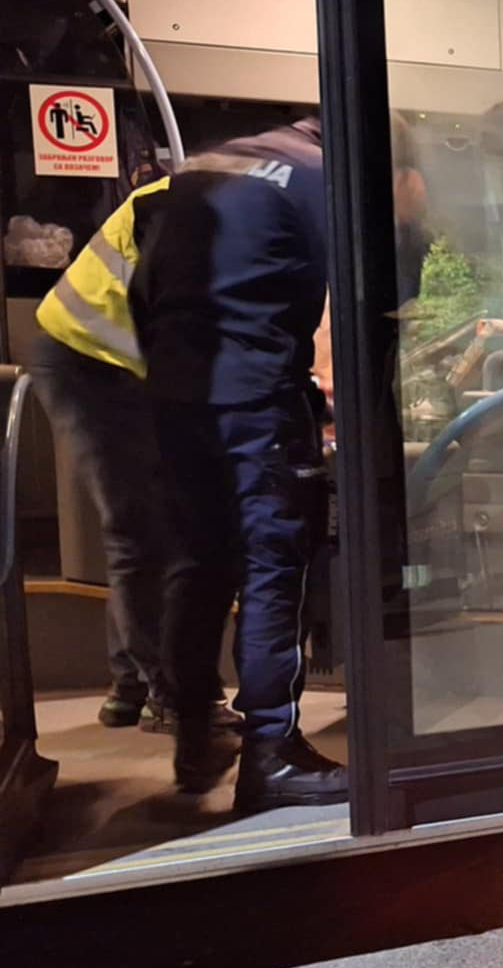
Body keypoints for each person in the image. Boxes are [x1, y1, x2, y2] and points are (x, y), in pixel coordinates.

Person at [130, 116, 364, 808]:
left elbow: (141, 291)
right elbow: (358, 297)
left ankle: (196, 733)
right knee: (273, 563)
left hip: (176, 396)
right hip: (255, 396)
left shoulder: (198, 172)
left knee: (200, 561)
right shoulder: (319, 179)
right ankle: (272, 753)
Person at [28, 178, 234, 732]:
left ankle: (130, 684)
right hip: (86, 355)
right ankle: (168, 696)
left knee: (156, 523)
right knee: (138, 527)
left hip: (119, 356)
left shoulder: (234, 194)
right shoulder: (221, 205)